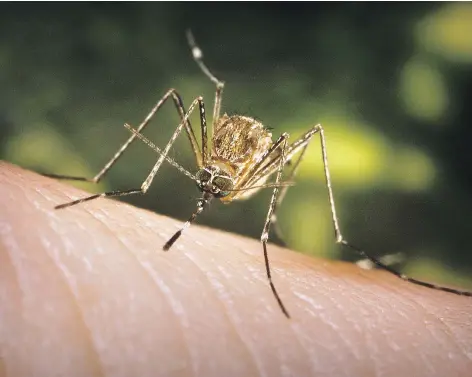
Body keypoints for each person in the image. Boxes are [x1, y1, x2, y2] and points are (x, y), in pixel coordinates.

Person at [1, 161, 471, 377]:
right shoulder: (207, 163)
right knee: (185, 99)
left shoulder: (244, 175)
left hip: (244, 169)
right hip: (224, 157)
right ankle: (100, 180)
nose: (204, 194)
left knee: (310, 135)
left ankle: (280, 235)